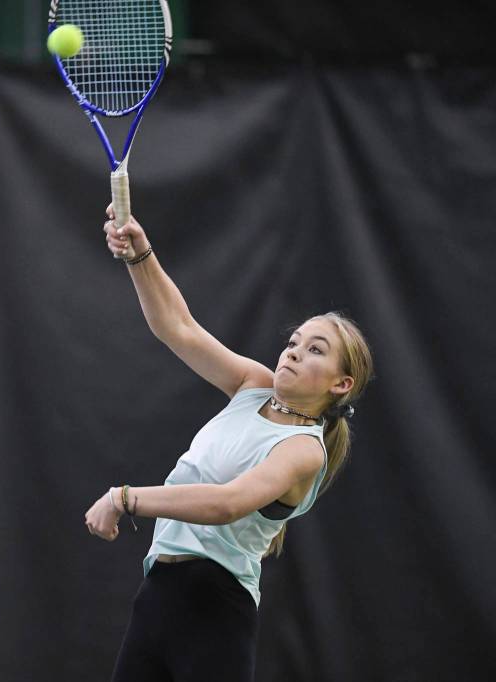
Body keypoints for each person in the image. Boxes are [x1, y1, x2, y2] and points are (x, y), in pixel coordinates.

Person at [84, 209, 373, 682]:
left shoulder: (305, 450)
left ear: (342, 384)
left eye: (315, 349)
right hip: (157, 593)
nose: (295, 351)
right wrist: (141, 256)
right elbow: (178, 327)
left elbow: (226, 503)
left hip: (215, 609)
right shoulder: (253, 384)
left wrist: (125, 498)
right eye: (295, 342)